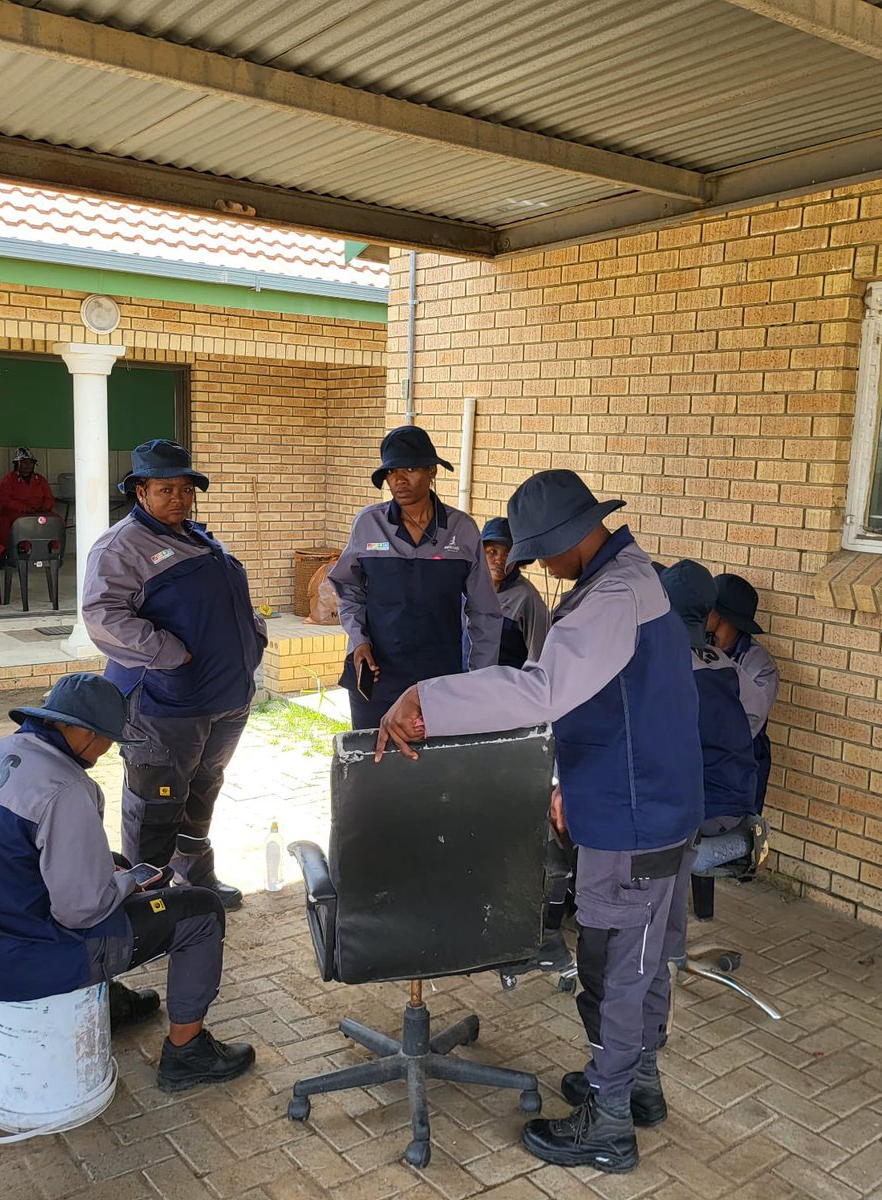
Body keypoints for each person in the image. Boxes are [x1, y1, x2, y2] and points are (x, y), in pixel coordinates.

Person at [376, 469, 704, 1175]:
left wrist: (426, 698)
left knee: (615, 966)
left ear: (567, 539)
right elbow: (614, 703)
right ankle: (636, 1084)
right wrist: (568, 780)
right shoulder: (639, 575)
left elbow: (543, 691)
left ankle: (609, 1124)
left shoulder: (607, 601)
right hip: (658, 802)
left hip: (634, 815)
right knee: (641, 960)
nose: (540, 569)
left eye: (540, 553)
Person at [0, 673, 255, 1093]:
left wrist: (111, 872)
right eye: (107, 738)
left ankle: (107, 1003)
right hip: (35, 959)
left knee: (111, 862)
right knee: (199, 910)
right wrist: (128, 883)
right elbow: (82, 909)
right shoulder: (66, 787)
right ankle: (187, 1053)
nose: (107, 749)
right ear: (81, 731)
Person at [82, 439, 266, 909]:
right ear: (140, 491)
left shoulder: (196, 536)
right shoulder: (122, 546)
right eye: (167, 490)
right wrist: (167, 652)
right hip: (165, 702)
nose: (179, 499)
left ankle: (194, 878)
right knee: (156, 802)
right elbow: (103, 616)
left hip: (223, 697)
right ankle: (146, 900)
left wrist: (254, 635)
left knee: (203, 791)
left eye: (186, 489)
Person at [328, 425, 502, 729]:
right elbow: (347, 587)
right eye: (391, 471)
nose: (399, 480)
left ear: (432, 471)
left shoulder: (462, 530)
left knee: (433, 767)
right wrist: (358, 641)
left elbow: (485, 611)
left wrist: (478, 679)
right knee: (375, 764)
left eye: (410, 468)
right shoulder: (368, 525)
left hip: (438, 681)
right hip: (378, 675)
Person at [660, 558, 758, 945]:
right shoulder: (724, 662)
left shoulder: (667, 668)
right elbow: (752, 716)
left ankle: (655, 950)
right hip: (739, 802)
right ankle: (666, 947)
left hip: (701, 812)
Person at [707, 573, 780, 812]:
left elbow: (750, 723)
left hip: (743, 763)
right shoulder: (699, 644)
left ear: (723, 616)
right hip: (704, 759)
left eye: (709, 607)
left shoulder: (761, 665)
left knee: (737, 838)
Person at [479, 517, 550, 668]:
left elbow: (540, 659)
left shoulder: (527, 598)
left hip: (505, 688)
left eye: (508, 554)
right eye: (492, 551)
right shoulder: (469, 589)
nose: (499, 560)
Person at [0, 447, 55, 546]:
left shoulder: (39, 479)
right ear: (17, 464)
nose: (28, 465)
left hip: (39, 512)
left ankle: (51, 551)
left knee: (56, 521)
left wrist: (44, 508)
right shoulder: (9, 479)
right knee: (4, 523)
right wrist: (24, 509)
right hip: (16, 513)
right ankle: (6, 553)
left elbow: (49, 498)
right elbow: (5, 500)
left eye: (30, 462)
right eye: (24, 462)